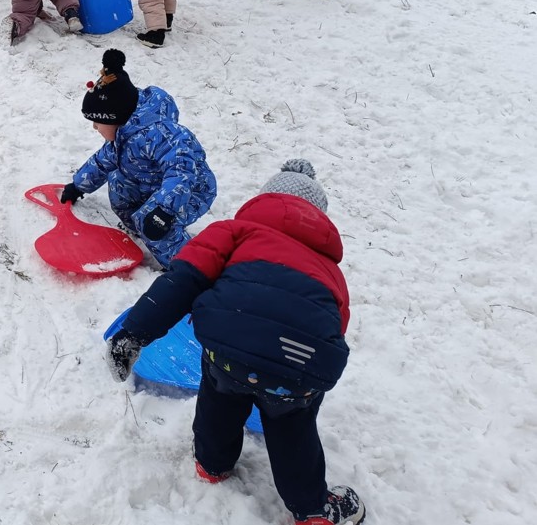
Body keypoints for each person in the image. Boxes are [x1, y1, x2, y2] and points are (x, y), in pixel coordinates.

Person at [104, 160, 364, 525]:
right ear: (318, 219)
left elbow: (181, 281)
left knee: (220, 396)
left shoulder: (234, 232)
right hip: (298, 370)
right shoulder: (328, 268)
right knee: (294, 426)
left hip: (228, 349)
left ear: (264, 200)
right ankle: (313, 510)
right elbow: (336, 324)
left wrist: (134, 333)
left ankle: (212, 464)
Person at [61, 49, 216, 267]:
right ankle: (141, 225)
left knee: (156, 226)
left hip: (190, 191)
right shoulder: (124, 135)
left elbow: (181, 173)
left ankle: (186, 266)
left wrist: (163, 211)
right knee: (118, 182)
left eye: (97, 122)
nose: (95, 127)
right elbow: (102, 161)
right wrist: (78, 186)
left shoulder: (161, 135)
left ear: (114, 117)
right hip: (154, 184)